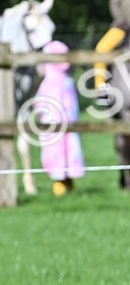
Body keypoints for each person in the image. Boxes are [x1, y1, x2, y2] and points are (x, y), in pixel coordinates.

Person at [35, 41, 85, 196]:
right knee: (65, 148)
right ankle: (63, 182)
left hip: (58, 129)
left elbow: (39, 105)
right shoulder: (66, 82)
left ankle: (64, 183)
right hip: (64, 128)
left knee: (61, 148)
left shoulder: (50, 83)